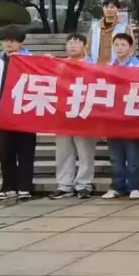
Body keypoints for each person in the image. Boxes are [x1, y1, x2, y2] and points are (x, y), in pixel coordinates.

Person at [0, 25, 35, 201]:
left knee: (26, 152)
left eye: (12, 40)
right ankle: (8, 187)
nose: (9, 43)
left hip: (26, 114)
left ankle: (25, 187)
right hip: (3, 115)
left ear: (20, 42)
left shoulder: (32, 62)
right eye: (5, 40)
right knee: (5, 152)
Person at [49, 33, 96, 200]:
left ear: (85, 46)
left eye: (76, 42)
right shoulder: (59, 65)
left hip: (84, 114)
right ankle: (64, 185)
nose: (72, 45)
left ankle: (84, 184)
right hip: (63, 114)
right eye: (69, 43)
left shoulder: (93, 66)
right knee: (63, 151)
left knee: (85, 151)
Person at [102, 33, 139, 199]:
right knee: (115, 155)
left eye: (123, 45)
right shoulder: (108, 66)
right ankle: (117, 186)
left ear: (131, 48)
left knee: (133, 154)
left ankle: (135, 186)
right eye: (117, 45)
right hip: (113, 115)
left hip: (132, 114)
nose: (120, 48)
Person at [88, 0, 130, 64]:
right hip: (96, 64)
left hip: (117, 66)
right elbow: (89, 47)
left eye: (112, 7)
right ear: (103, 9)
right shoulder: (95, 26)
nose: (109, 9)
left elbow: (130, 49)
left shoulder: (124, 27)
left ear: (118, 9)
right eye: (106, 7)